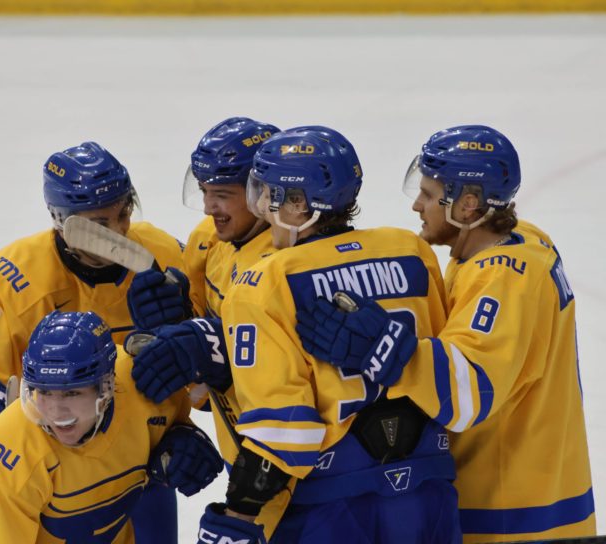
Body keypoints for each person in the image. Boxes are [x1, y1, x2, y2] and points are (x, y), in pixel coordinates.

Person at [295, 125, 595, 542]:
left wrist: (382, 347)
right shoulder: (518, 241)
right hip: (545, 496)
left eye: (431, 195)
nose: (418, 205)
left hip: (510, 514)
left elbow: (471, 394)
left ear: (468, 205)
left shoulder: (504, 279)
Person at [196, 127, 461, 543]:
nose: (261, 206)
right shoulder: (410, 251)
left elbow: (283, 429)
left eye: (268, 193)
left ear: (299, 204)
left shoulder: (264, 281)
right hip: (430, 487)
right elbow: (439, 364)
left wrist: (239, 511)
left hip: (335, 503)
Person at [0, 141, 186, 541]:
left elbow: (225, 357)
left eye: (124, 214)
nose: (118, 232)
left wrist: (184, 332)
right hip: (48, 456)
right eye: (99, 225)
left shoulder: (165, 255)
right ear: (60, 220)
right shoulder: (12, 280)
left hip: (136, 459)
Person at [128, 117, 294, 538]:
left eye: (220, 194)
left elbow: (294, 369)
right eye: (203, 191)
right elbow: (203, 376)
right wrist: (176, 322)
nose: (207, 207)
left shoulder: (294, 258)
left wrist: (206, 346)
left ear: (265, 192)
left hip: (298, 465)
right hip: (246, 464)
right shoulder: (208, 241)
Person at [0, 311, 222, 543]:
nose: (55, 412)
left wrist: (182, 431)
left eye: (72, 393)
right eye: (44, 393)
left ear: (108, 386)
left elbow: (221, 389)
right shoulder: (7, 458)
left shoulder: (145, 389)